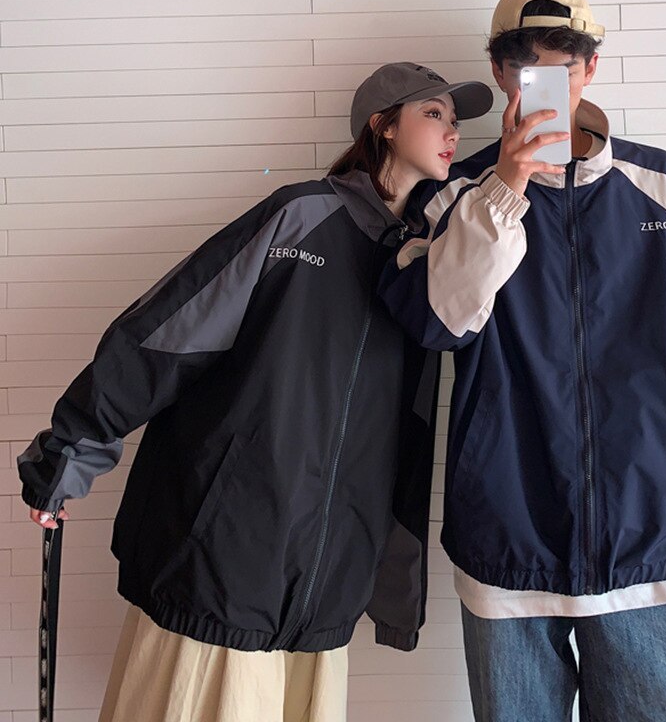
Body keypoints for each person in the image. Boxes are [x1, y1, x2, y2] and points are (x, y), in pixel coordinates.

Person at [17, 62, 494, 722]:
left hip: (327, 580)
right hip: (229, 551)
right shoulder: (303, 215)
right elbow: (168, 332)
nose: (453, 133)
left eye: (456, 120)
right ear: (383, 125)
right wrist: (70, 451)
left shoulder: (424, 263)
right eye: (434, 114)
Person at [379, 0, 666, 721]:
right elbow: (436, 323)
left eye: (563, 68)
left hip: (652, 542)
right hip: (508, 538)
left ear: (591, 69)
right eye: (526, 68)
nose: (545, 85)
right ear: (500, 73)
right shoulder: (454, 197)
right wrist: (506, 189)